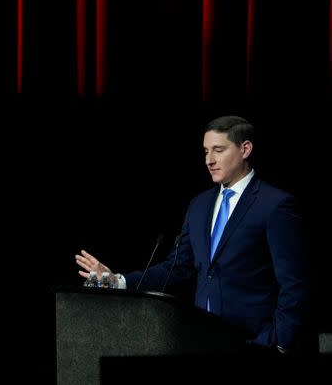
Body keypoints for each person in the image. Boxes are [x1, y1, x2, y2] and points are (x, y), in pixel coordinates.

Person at [75, 115, 311, 354]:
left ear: (245, 149)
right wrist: (118, 280)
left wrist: (279, 342)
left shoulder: (274, 205)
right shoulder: (199, 205)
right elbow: (177, 268)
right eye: (206, 151)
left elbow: (294, 283)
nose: (209, 160)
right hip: (202, 344)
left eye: (218, 150)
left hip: (255, 345)